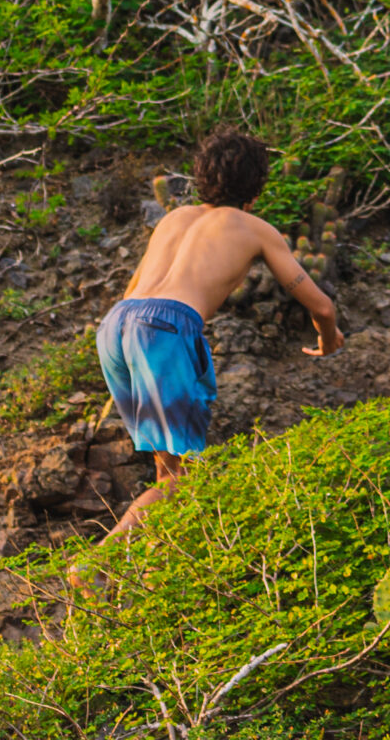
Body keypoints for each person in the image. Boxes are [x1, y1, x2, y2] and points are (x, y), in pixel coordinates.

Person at [87, 126, 344, 550]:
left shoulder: (173, 218)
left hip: (116, 326)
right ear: (257, 186)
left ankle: (154, 571)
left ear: (201, 176)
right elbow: (322, 307)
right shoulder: (254, 228)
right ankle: (97, 563)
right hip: (164, 330)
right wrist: (329, 340)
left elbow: (135, 293)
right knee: (181, 479)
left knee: (167, 471)